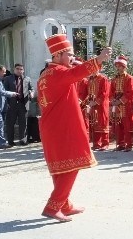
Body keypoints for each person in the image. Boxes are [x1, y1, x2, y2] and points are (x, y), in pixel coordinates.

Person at [37, 29, 112, 222]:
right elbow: (77, 73)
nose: (72, 57)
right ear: (57, 54)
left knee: (60, 167)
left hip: (53, 127)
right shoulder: (58, 72)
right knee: (73, 164)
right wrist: (99, 59)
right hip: (62, 127)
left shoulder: (46, 74)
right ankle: (53, 206)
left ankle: (65, 204)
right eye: (69, 54)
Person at [109, 55, 133, 152]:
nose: (118, 68)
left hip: (126, 106)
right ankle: (120, 144)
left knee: (127, 125)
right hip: (116, 104)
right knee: (118, 125)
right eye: (117, 66)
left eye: (120, 66)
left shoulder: (129, 78)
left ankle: (129, 144)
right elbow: (110, 92)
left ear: (124, 66)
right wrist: (113, 101)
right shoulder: (114, 79)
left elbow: (130, 92)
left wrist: (120, 101)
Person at [3, 63, 33, 146]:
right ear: (14, 69)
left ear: (23, 70)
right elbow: (4, 91)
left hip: (23, 104)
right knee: (10, 123)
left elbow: (31, 88)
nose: (19, 71)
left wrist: (31, 92)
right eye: (17, 69)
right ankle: (10, 141)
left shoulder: (27, 79)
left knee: (23, 123)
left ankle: (23, 140)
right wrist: (6, 103)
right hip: (11, 104)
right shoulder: (8, 79)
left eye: (21, 69)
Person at [87, 69, 110, 151]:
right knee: (94, 122)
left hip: (102, 104)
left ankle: (105, 143)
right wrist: (89, 102)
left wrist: (96, 102)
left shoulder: (103, 79)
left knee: (103, 122)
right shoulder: (89, 79)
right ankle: (96, 143)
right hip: (92, 104)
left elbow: (104, 93)